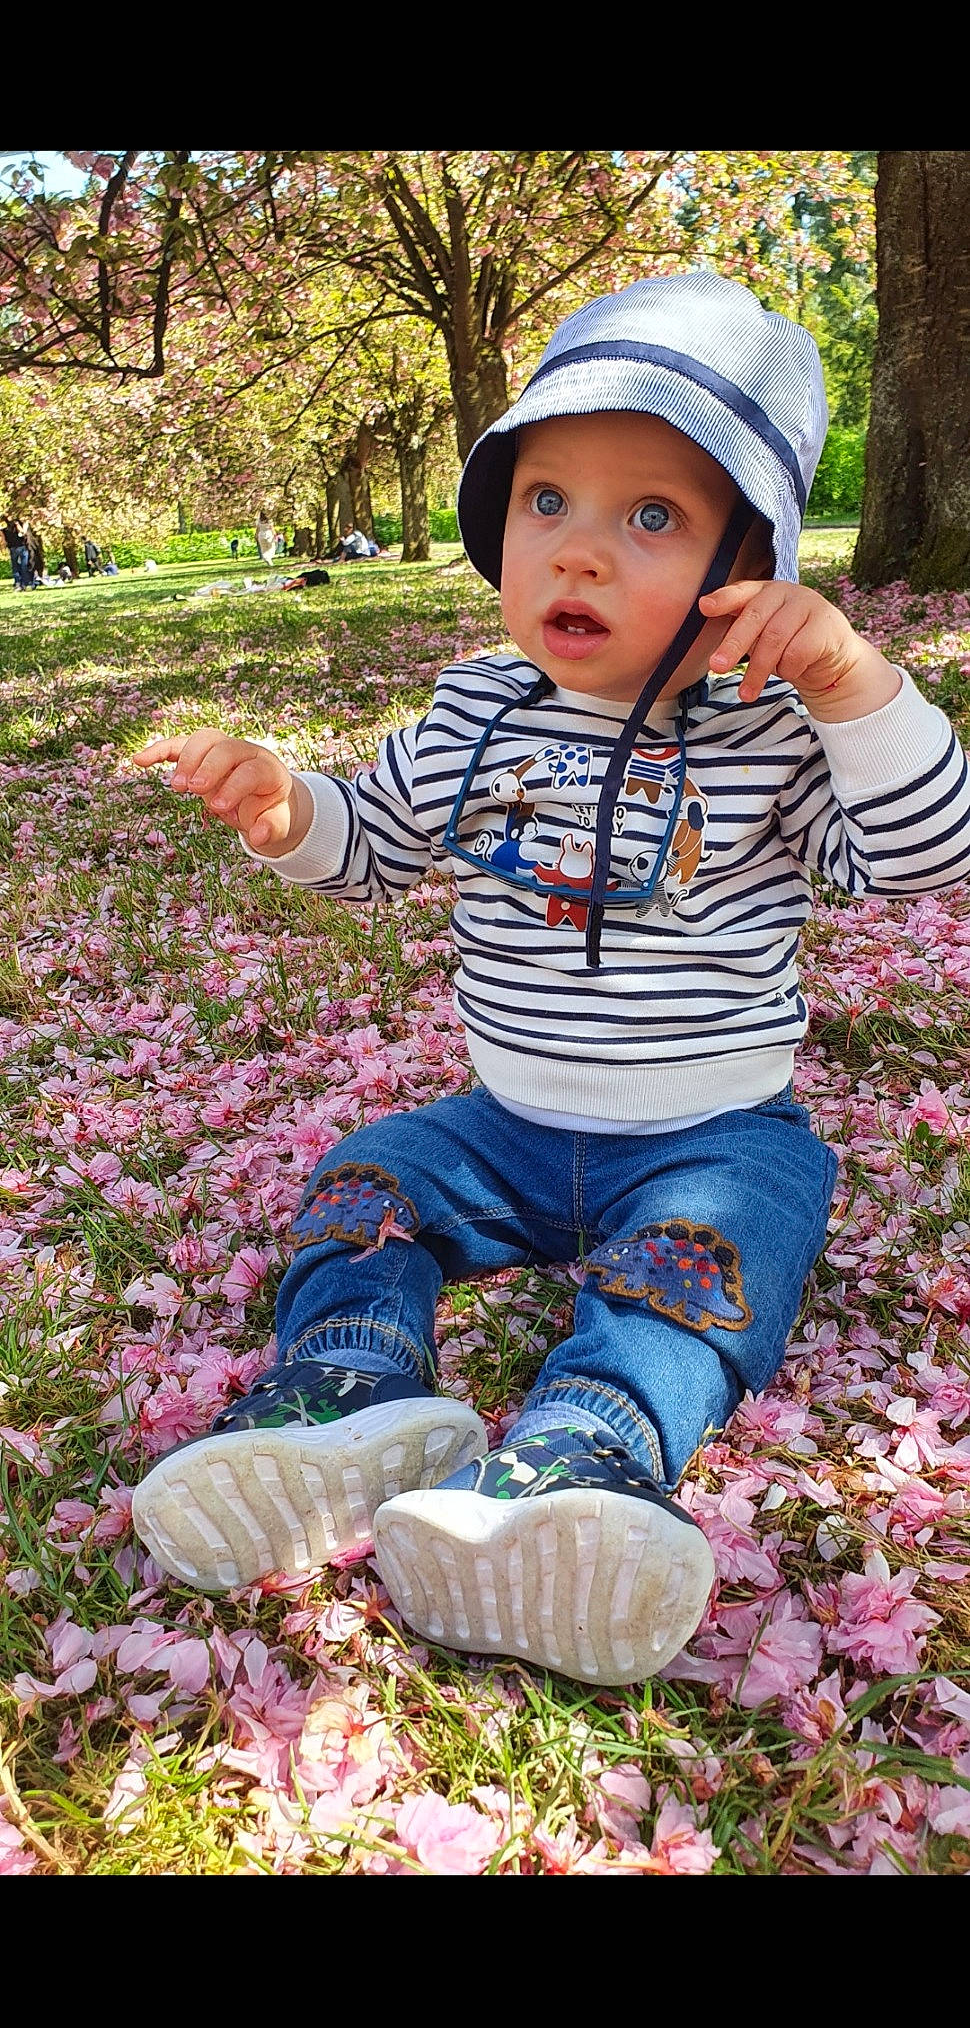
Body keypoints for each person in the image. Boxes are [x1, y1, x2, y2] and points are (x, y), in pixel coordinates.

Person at [130, 272, 970, 1688]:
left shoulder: (769, 730)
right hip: (503, 1130)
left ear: (742, 566)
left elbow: (924, 848)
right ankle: (344, 1388)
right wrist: (288, 811)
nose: (579, 555)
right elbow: (373, 842)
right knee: (367, 1176)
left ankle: (580, 1457)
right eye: (546, 503)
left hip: (712, 1137)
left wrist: (852, 688)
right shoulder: (473, 711)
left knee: (703, 1264)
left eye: (652, 517)